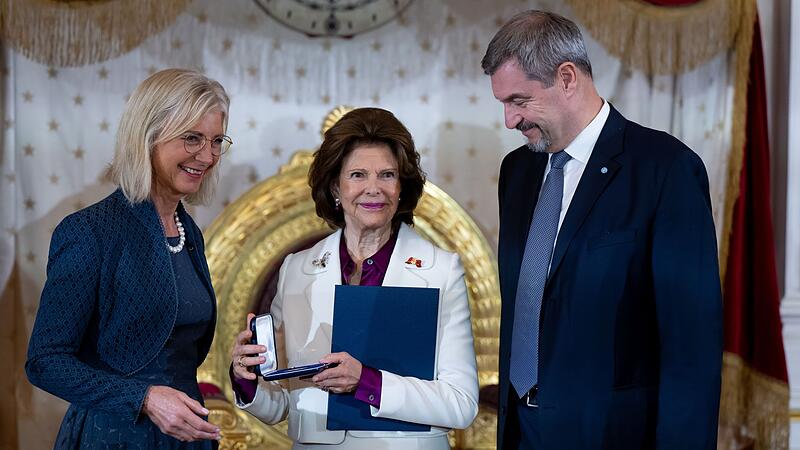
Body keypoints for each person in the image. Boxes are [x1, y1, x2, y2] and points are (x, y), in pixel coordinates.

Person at [482, 10, 723, 450]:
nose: (509, 120)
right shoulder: (516, 172)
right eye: (503, 103)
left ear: (568, 78)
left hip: (613, 435)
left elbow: (692, 349)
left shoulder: (665, 169)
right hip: (520, 430)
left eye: (519, 100)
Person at [229, 107, 479, 449]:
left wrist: (367, 382)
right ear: (335, 185)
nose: (373, 189)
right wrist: (247, 379)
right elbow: (286, 403)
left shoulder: (441, 270)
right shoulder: (296, 270)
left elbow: (460, 404)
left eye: (387, 175)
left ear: (402, 187)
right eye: (358, 175)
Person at [26, 68, 232, 448]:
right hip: (114, 435)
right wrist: (145, 399)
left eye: (217, 140)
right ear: (148, 138)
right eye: (192, 139)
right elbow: (45, 362)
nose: (207, 156)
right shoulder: (89, 231)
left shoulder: (191, 234)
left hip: (185, 437)